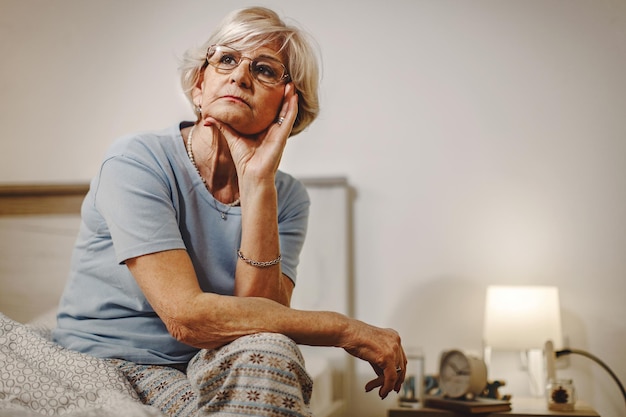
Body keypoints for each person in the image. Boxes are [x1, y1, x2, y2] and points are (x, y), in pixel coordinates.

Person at [53, 6, 406, 417]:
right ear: (200, 85)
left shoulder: (288, 197)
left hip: (201, 363)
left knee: (270, 351)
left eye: (265, 70)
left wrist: (257, 182)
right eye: (226, 59)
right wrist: (344, 329)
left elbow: (260, 325)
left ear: (287, 108)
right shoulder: (136, 161)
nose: (240, 76)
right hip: (110, 362)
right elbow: (187, 318)